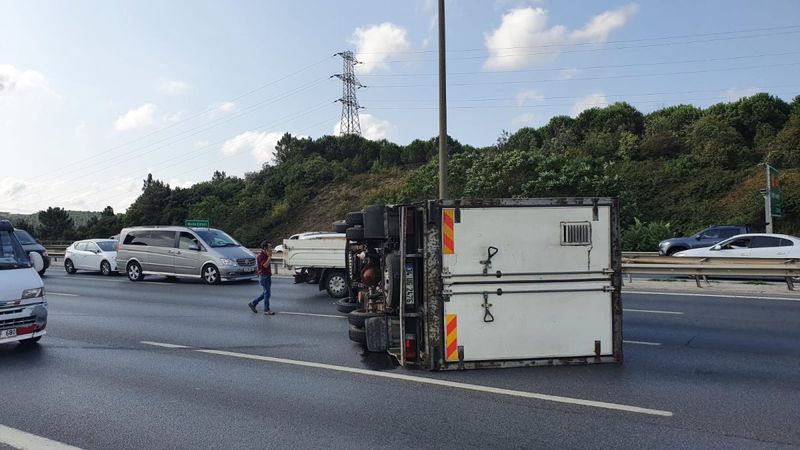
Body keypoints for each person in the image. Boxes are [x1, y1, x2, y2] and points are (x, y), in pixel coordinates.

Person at [248, 240, 274, 315]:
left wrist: (270, 272)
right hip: (264, 277)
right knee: (267, 293)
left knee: (266, 293)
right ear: (265, 248)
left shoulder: (266, 254)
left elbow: (267, 267)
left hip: (267, 276)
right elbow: (265, 265)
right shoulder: (261, 256)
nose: (271, 248)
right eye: (269, 247)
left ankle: (253, 303)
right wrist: (270, 257)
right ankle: (266, 310)